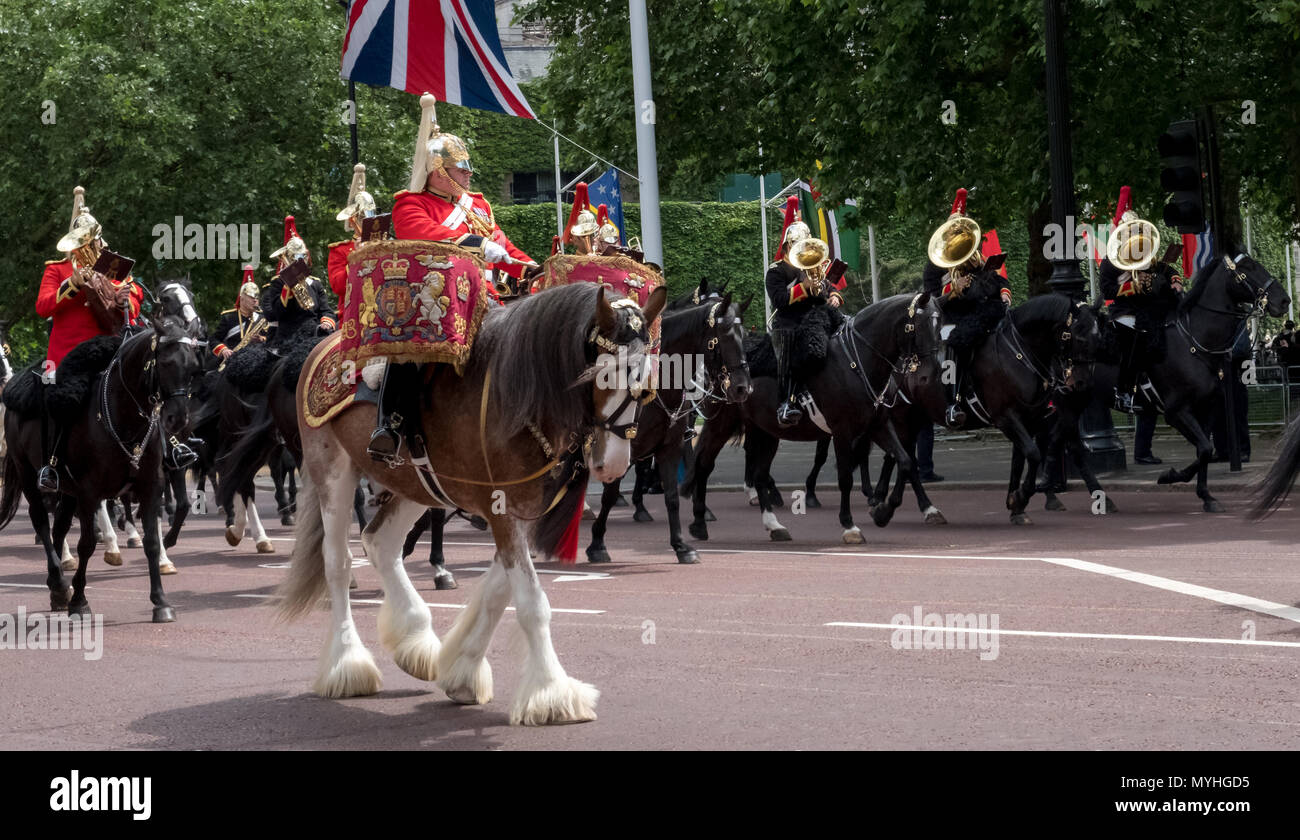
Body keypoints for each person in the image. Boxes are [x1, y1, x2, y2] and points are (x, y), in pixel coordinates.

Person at [368, 93, 538, 464]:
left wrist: (531, 268)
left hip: (487, 296)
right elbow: (428, 236)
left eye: (467, 169)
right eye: (461, 169)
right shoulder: (409, 204)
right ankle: (391, 424)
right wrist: (476, 244)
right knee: (411, 349)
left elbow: (504, 248)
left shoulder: (477, 205)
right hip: (436, 299)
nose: (468, 174)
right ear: (437, 171)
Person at [34, 186, 143, 490]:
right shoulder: (56, 270)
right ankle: (52, 465)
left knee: (149, 384)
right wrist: (72, 283)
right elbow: (43, 307)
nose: (89, 244)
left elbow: (135, 297)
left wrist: (124, 298)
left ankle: (161, 450)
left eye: (92, 238)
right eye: (83, 240)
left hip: (109, 347)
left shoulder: (110, 266)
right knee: (53, 398)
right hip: (66, 353)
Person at [924, 188, 1011, 428]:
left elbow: (1000, 282)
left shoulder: (978, 259)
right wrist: (954, 289)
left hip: (982, 312)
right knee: (954, 342)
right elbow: (930, 298)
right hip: (951, 316)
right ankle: (953, 401)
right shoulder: (935, 265)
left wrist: (1004, 294)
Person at [1099, 186, 1183, 413]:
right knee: (1133, 339)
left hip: (1152, 308)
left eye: (1135, 229)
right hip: (1125, 311)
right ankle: (1124, 390)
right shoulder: (1109, 262)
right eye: (1128, 231)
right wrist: (1131, 286)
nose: (1132, 234)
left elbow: (1167, 270)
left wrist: (1175, 280)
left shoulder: (1147, 254)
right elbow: (1106, 291)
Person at [766, 196, 844, 427]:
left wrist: (834, 296)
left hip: (819, 319)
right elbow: (779, 300)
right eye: (799, 246)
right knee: (790, 348)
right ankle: (787, 400)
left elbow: (831, 289)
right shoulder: (776, 272)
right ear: (788, 246)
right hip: (791, 321)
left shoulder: (813, 267)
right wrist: (803, 287)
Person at [262, 215, 336, 348]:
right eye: (296, 258)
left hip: (314, 331)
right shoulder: (278, 283)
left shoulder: (315, 283)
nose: (300, 261)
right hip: (288, 335)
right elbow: (277, 313)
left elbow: (326, 310)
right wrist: (288, 287)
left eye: (302, 257)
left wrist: (326, 322)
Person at [327, 163, 379, 301]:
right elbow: (338, 287)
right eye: (362, 217)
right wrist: (357, 257)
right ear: (353, 219)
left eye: (371, 215)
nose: (369, 220)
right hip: (355, 312)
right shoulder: (340, 250)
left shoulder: (384, 245)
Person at [210, 266, 266, 363]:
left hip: (257, 360)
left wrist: (261, 339)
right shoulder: (229, 318)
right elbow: (214, 339)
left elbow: (271, 338)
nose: (255, 300)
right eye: (252, 296)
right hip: (232, 360)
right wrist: (224, 350)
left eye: (257, 297)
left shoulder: (262, 318)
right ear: (242, 298)